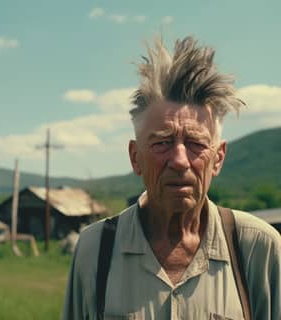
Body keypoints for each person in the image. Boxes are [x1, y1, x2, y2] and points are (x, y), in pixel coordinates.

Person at [62, 36, 281, 320]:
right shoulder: (95, 250)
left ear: (218, 158)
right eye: (162, 142)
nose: (179, 160)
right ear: (134, 157)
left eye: (196, 143)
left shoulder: (257, 248)